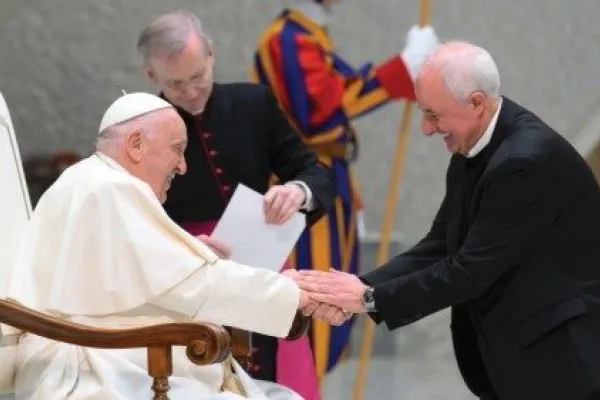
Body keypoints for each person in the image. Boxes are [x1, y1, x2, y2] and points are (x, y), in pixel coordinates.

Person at [292, 41, 600, 400]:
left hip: (559, 360)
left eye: (434, 116)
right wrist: (358, 287)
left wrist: (369, 299)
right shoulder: (474, 145)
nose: (426, 128)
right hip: (518, 355)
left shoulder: (523, 163)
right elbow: (440, 244)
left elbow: (469, 270)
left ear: (476, 103)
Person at [5, 92, 320, 400]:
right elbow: (195, 285)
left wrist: (187, 257)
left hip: (102, 356)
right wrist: (293, 293)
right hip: (95, 370)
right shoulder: (113, 189)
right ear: (136, 144)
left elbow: (118, 280)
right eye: (177, 149)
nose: (183, 166)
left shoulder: (87, 180)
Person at [136, 10, 334, 399]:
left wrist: (298, 190)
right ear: (152, 78)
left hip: (267, 267)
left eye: (198, 76)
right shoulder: (140, 128)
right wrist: (182, 248)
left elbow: (313, 170)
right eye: (177, 85)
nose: (192, 92)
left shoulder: (253, 103)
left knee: (284, 379)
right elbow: (133, 218)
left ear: (211, 54)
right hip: (189, 281)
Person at [251, 0, 439, 378]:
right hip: (303, 184)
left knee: (333, 297)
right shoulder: (286, 38)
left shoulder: (308, 32)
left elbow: (339, 90)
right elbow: (321, 112)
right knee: (315, 300)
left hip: (329, 179)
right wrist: (401, 69)